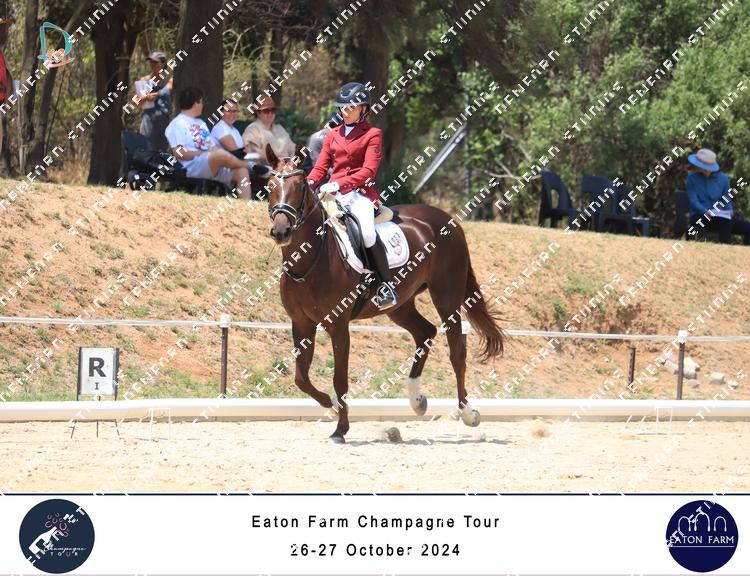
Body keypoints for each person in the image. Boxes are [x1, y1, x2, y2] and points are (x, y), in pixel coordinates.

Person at [306, 81, 397, 309]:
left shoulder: (373, 134)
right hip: (331, 194)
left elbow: (368, 171)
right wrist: (308, 184)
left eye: (351, 107)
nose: (345, 111)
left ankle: (385, 285)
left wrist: (338, 183)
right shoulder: (332, 135)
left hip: (359, 194)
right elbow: (320, 167)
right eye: (343, 107)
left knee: (366, 233)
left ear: (363, 109)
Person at [164, 87, 251, 199]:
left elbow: (212, 147)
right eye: (202, 101)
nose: (203, 105)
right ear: (196, 103)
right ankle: (252, 167)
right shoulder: (177, 123)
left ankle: (244, 207)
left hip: (211, 163)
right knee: (220, 154)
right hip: (191, 167)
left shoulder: (201, 123)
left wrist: (217, 154)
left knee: (241, 172)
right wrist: (203, 154)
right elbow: (178, 153)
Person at [686, 148, 750, 245]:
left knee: (746, 227)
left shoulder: (723, 179)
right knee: (725, 222)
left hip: (720, 216)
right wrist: (706, 211)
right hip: (700, 216)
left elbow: (726, 200)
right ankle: (724, 248)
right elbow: (693, 201)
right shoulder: (691, 178)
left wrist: (729, 210)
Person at [210, 98, 271, 178]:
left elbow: (243, 151)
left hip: (238, 165)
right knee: (265, 171)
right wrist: (256, 155)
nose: (232, 114)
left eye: (235, 111)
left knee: (270, 170)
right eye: (228, 111)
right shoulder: (220, 128)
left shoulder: (235, 130)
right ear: (221, 113)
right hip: (223, 169)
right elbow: (236, 152)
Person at [135, 51, 172, 151]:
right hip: (148, 121)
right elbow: (136, 102)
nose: (152, 65)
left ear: (163, 64)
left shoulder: (169, 80)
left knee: (162, 151)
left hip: (164, 121)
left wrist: (157, 94)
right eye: (151, 62)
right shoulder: (144, 80)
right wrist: (146, 97)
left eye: (155, 62)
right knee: (146, 149)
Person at [242, 95, 296, 165]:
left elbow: (293, 150)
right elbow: (253, 150)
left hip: (287, 167)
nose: (270, 113)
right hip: (267, 168)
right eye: (266, 111)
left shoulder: (280, 128)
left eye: (273, 110)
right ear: (258, 113)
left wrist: (291, 164)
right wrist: (277, 163)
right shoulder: (253, 129)